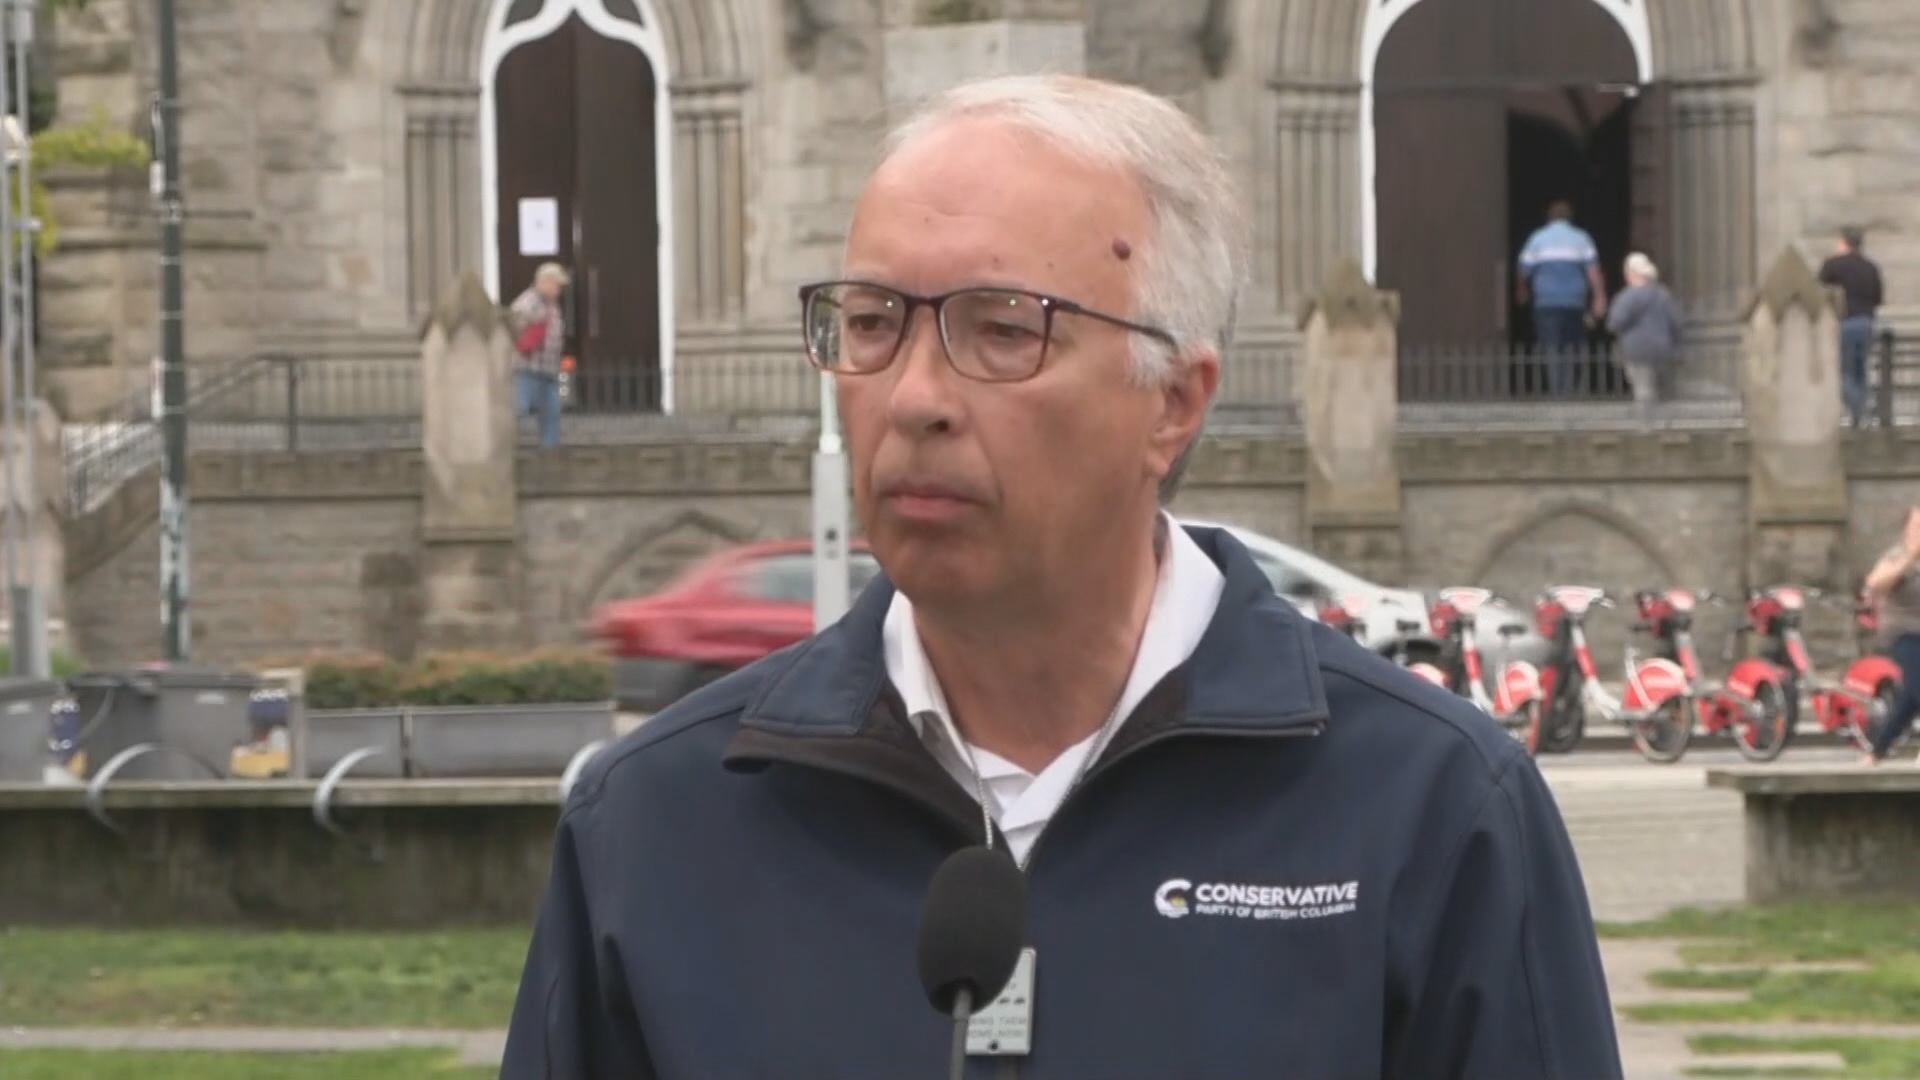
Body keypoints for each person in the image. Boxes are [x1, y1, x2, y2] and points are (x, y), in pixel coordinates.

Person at [500, 74, 1621, 1080]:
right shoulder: (654, 824)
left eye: (1003, 330)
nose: (915, 397)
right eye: (875, 322)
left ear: (1173, 403)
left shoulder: (1432, 810)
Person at [1517, 200, 1607, 396]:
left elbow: (1524, 270)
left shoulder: (1537, 239)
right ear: (1569, 218)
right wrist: (1599, 297)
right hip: (1574, 300)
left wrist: (1522, 291)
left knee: (1551, 346)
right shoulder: (1581, 238)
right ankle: (1571, 388)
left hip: (1546, 302)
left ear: (1549, 218)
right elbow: (1593, 272)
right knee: (1572, 346)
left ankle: (1557, 390)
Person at [1860, 506, 1920, 766]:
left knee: (1908, 697)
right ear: (1906, 530)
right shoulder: (1897, 557)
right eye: (1917, 526)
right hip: (1904, 632)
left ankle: (1876, 752)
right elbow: (1875, 584)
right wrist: (1909, 558)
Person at [1606, 252, 1685, 426]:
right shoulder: (1664, 295)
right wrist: (1677, 347)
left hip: (1637, 350)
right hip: (1663, 349)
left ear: (1632, 274)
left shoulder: (1627, 297)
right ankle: (1665, 425)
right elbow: (1677, 322)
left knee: (1643, 390)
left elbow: (1615, 323)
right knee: (1662, 391)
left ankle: (1646, 427)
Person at [1818, 225, 1884, 428]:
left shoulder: (1833, 265)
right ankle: (1861, 414)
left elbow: (1817, 291)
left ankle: (1859, 410)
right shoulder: (1871, 267)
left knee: (1842, 371)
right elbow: (1878, 298)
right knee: (1860, 370)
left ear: (1843, 242)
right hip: (1865, 322)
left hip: (1844, 322)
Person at [506, 262, 570, 448]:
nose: (559, 290)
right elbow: (513, 327)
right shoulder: (527, 302)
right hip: (528, 367)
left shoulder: (553, 306)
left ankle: (549, 453)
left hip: (548, 369)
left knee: (552, 413)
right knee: (519, 408)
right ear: (545, 282)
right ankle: (506, 446)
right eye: (557, 285)